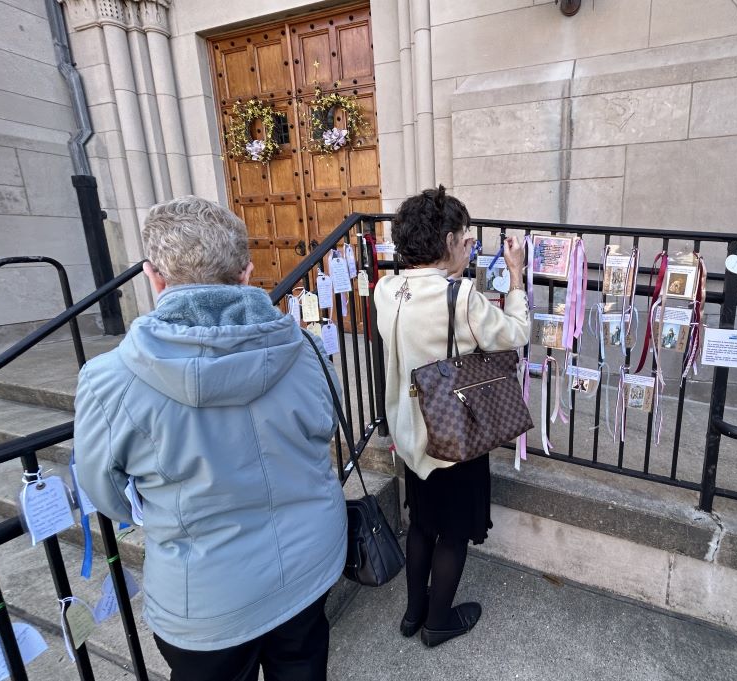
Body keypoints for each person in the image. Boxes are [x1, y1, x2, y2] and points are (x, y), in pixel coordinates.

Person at [74, 196, 347, 681]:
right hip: (308, 565)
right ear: (245, 274)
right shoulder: (305, 349)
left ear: (153, 277)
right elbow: (326, 427)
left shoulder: (107, 380)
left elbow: (107, 495)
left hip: (203, 597)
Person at [374, 186, 530, 648]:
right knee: (453, 532)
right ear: (447, 241)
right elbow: (516, 333)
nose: (469, 245)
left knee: (422, 523)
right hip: (453, 430)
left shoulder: (387, 289)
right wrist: (516, 276)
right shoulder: (461, 297)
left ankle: (412, 613)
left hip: (411, 431)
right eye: (465, 238)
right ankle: (438, 622)